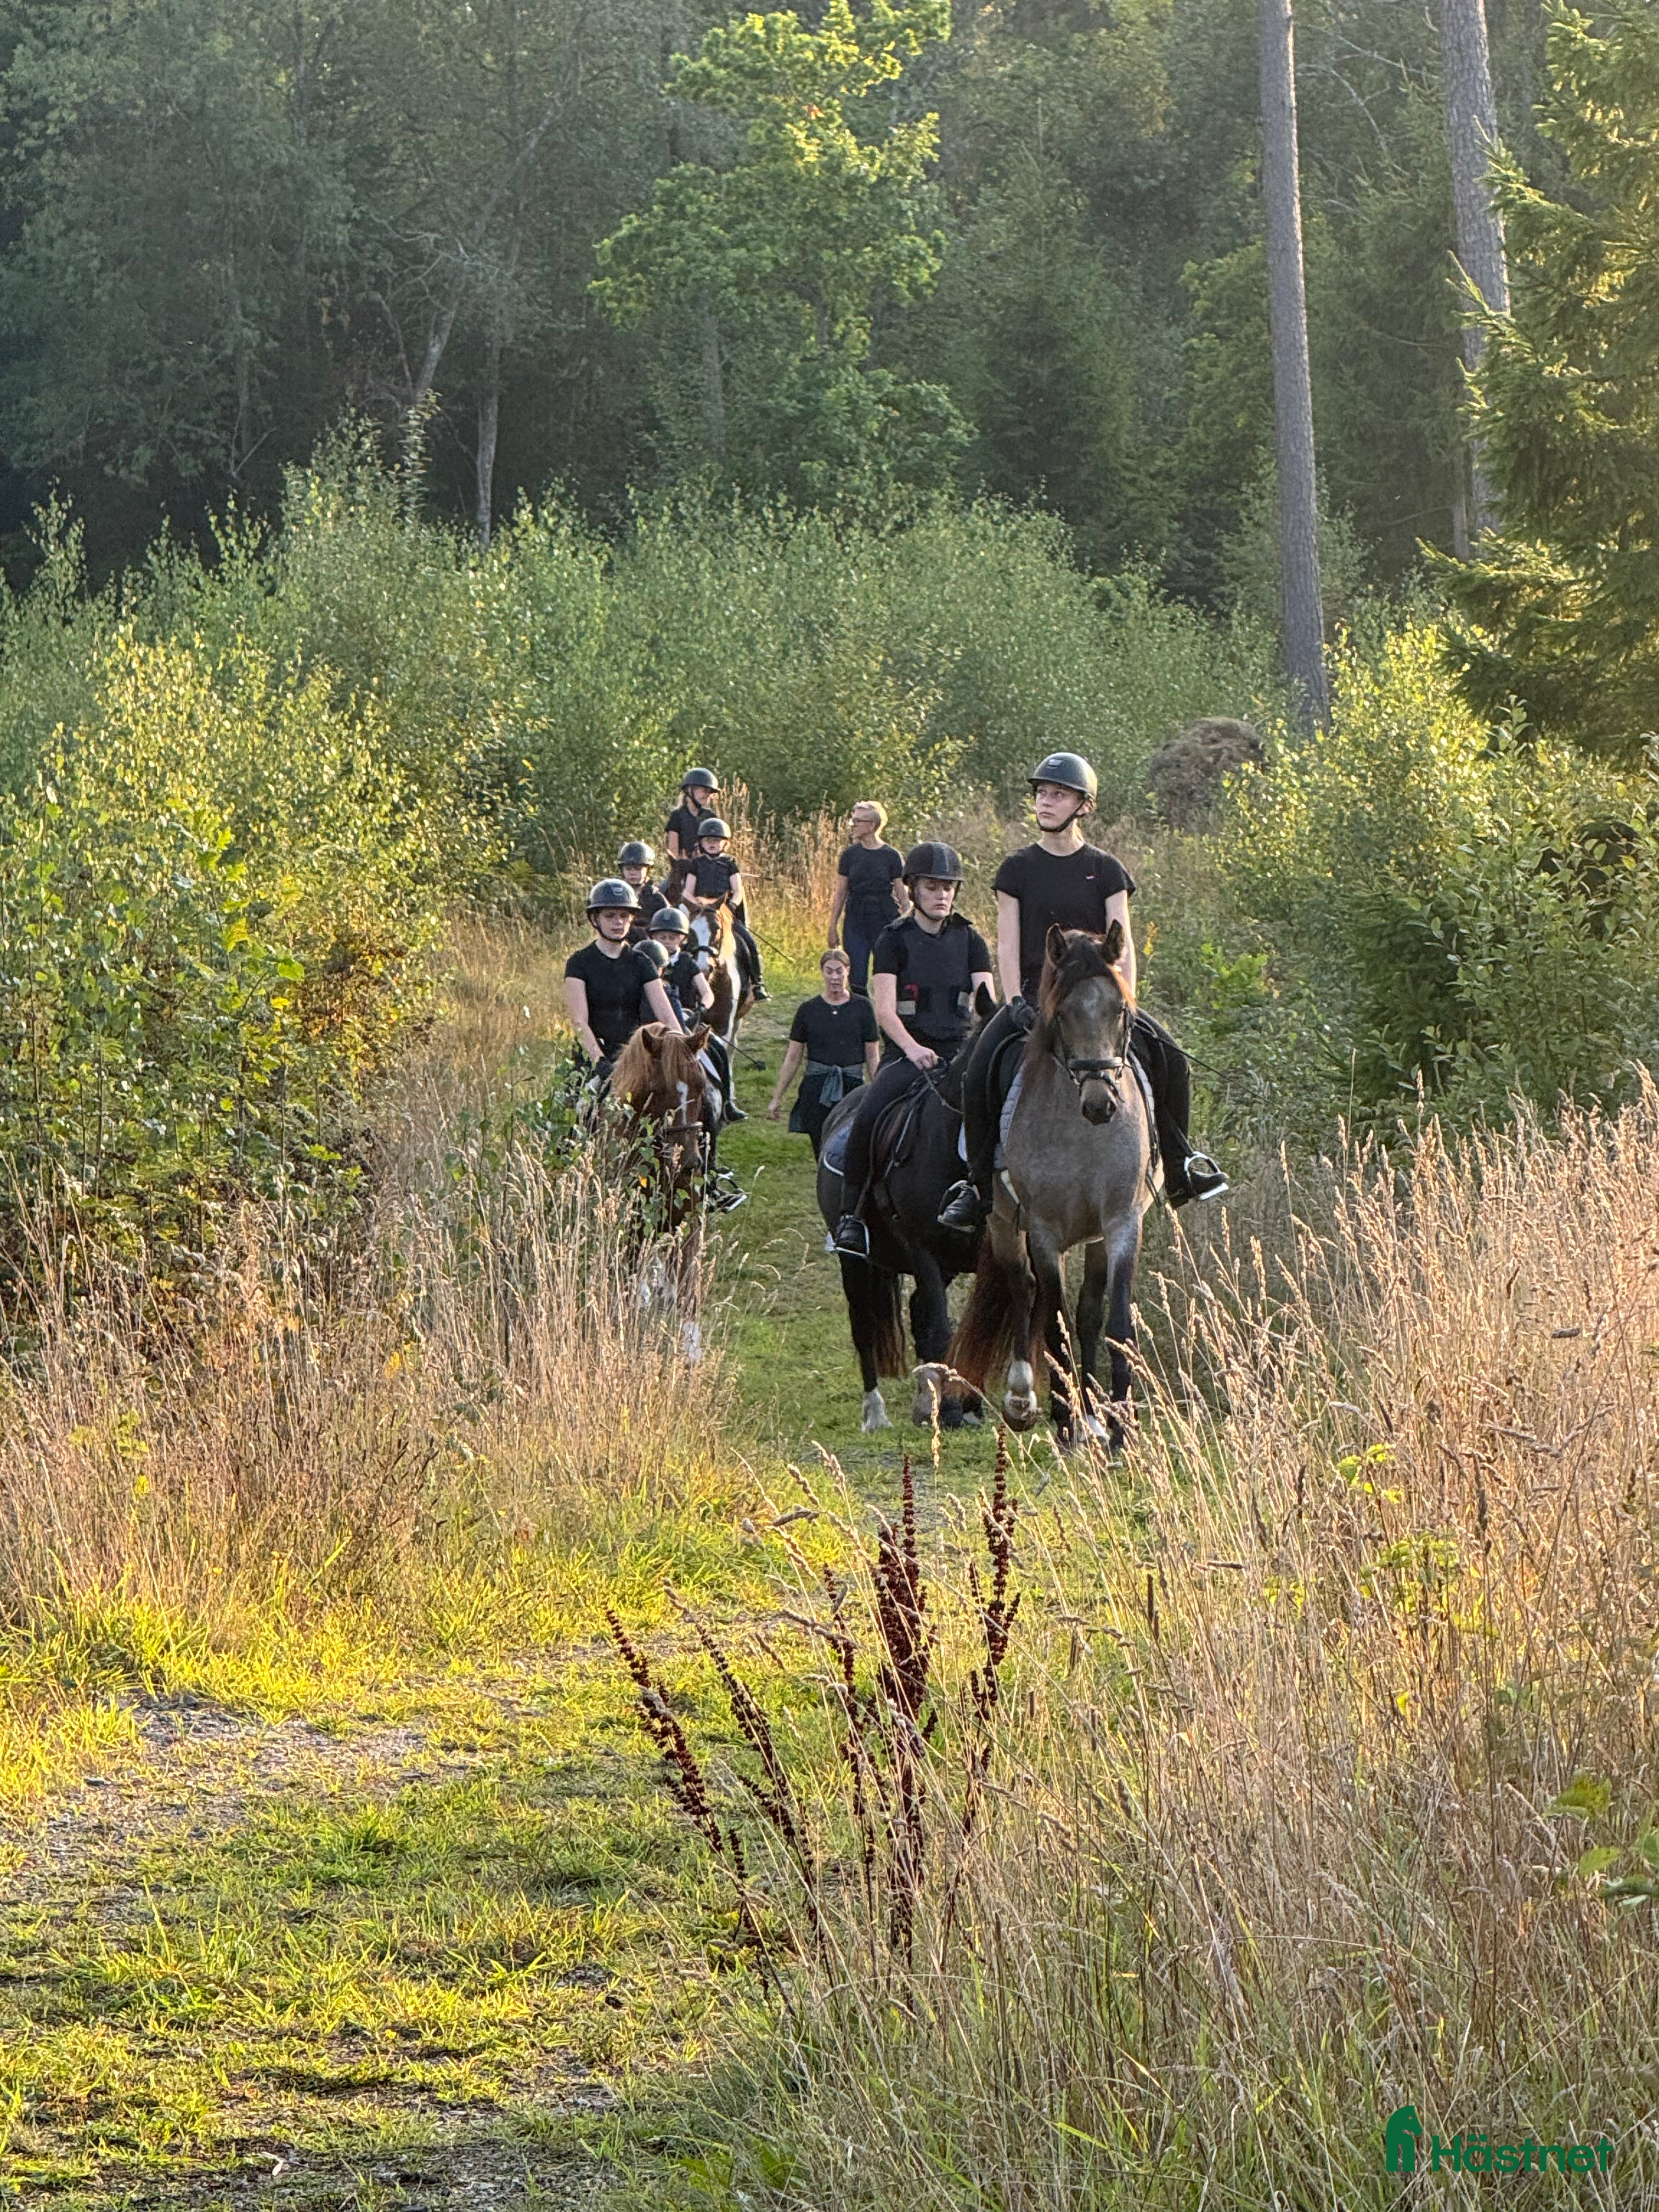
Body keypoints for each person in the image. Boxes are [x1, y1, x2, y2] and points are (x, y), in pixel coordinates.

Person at [937, 753, 1227, 1233]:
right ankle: (976, 1186)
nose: (1046, 802)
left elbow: (1124, 946)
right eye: (1041, 794)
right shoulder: (1016, 870)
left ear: (1083, 805)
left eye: (1058, 794)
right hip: (1036, 998)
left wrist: (1125, 1003)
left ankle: (1179, 1167)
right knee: (977, 1070)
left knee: (1173, 1056)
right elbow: (1006, 945)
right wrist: (1015, 1003)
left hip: (1100, 1002)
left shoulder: (1107, 870)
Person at [832, 844, 994, 1257]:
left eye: (948, 887)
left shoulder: (971, 939)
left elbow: (986, 1000)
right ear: (913, 890)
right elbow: (884, 1010)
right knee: (869, 1113)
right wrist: (912, 1049)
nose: (942, 895)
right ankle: (852, 1215)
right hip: (908, 1054)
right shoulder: (893, 939)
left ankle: (990, 1201)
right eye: (932, 887)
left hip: (961, 1053)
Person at [665, 769, 769, 1000]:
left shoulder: (711, 817)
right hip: (685, 870)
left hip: (719, 897)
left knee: (746, 935)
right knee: (664, 901)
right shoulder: (678, 817)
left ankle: (756, 981)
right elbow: (673, 850)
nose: (707, 795)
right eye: (704, 790)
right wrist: (688, 862)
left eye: (710, 792)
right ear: (690, 791)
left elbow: (718, 837)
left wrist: (731, 904)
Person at [769, 949, 881, 1156]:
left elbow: (872, 1055)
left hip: (852, 1087)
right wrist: (777, 1097)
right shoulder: (808, 1010)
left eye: (839, 972)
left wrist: (879, 1090)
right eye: (829, 972)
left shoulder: (863, 1008)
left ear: (848, 971)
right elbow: (793, 1057)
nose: (834, 978)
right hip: (816, 1089)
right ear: (822, 973)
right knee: (821, 1149)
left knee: (852, 1148)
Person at [563, 880, 677, 1073]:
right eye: (610, 916)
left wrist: (682, 1047)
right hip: (592, 1061)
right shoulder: (579, 963)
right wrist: (599, 1062)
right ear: (595, 920)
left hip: (635, 1058)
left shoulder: (642, 962)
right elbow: (579, 1021)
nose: (618, 922)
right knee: (579, 1103)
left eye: (624, 916)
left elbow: (666, 1015)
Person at [650, 904, 746, 1123]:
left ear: (683, 939)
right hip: (654, 1023)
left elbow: (707, 993)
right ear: (653, 936)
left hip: (687, 1021)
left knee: (719, 1052)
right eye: (662, 937)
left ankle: (728, 1100)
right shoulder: (647, 961)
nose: (667, 941)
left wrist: (701, 1010)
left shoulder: (688, 962)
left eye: (672, 937)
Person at [827, 802, 909, 994]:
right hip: (856, 918)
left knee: (887, 973)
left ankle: (887, 1017)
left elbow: (902, 893)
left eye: (858, 821)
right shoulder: (850, 855)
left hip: (885, 919)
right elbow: (841, 893)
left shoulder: (892, 856)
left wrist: (909, 921)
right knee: (856, 977)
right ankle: (860, 1018)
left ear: (872, 825)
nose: (853, 825)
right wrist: (832, 927)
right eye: (852, 820)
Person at [617, 841, 663, 938]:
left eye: (638, 869)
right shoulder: (616, 895)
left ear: (648, 870)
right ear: (622, 870)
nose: (633, 873)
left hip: (649, 944)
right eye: (629, 869)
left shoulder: (656, 897)